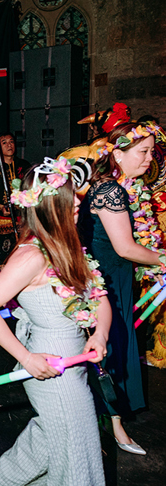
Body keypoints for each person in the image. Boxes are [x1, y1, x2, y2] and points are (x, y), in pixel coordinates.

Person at [0, 157, 110, 486]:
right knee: (77, 452)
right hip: (50, 369)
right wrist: (27, 359)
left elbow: (100, 300)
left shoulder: (70, 247)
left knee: (56, 435)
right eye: (70, 196)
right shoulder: (30, 256)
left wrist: (100, 333)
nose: (79, 201)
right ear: (50, 205)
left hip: (74, 363)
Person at [79, 122, 166, 455]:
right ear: (118, 153)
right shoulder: (110, 190)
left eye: (151, 151)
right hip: (107, 280)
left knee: (115, 344)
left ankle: (110, 423)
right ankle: (111, 426)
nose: (150, 159)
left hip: (117, 277)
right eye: (143, 152)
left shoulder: (123, 185)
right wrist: (163, 259)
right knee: (110, 346)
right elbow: (125, 247)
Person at [0, 132, 32, 266]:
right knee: (5, 256)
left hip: (22, 218)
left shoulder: (24, 165)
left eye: (11, 141)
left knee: (26, 255)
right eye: (4, 142)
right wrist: (0, 207)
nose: (9, 145)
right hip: (1, 220)